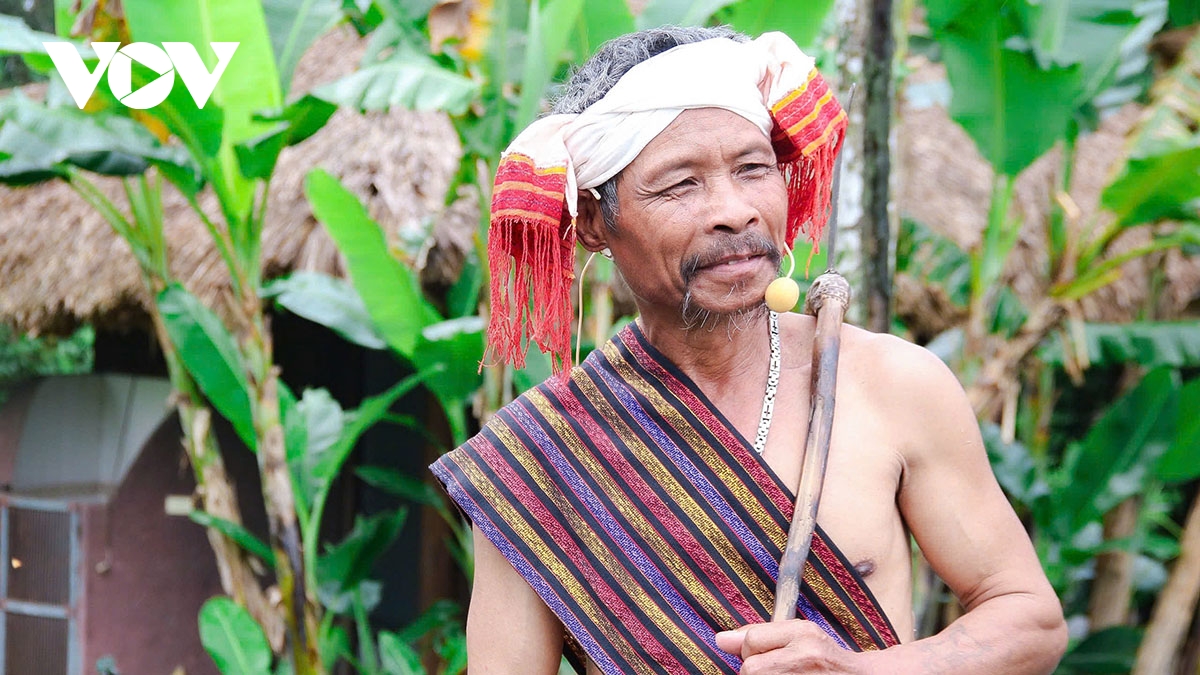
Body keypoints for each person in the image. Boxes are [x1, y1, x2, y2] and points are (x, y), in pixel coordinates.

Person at [431, 25, 1067, 674]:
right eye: (680, 184)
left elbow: (1029, 617)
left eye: (753, 168)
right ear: (595, 221)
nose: (733, 210)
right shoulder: (543, 455)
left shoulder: (892, 384)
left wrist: (861, 670)